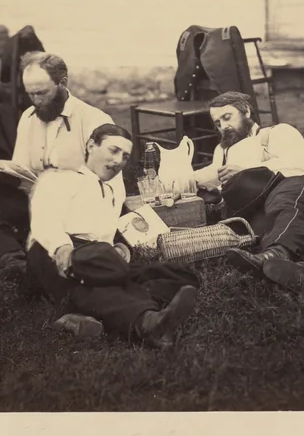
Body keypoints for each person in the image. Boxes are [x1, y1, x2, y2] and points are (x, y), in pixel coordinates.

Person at [25, 124, 201, 348]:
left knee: (181, 276)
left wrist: (120, 247)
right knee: (94, 284)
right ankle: (148, 323)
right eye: (113, 150)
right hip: (52, 253)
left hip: (99, 257)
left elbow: (104, 232)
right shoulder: (60, 178)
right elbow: (44, 220)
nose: (119, 161)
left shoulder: (112, 189)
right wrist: (62, 247)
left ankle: (89, 315)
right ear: (91, 145)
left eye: (125, 156)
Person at [0, 51, 118, 269]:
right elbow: (20, 168)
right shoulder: (28, 117)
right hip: (34, 200)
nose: (36, 101)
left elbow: (110, 187)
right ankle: (12, 258)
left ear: (62, 83)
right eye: (30, 94)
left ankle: (37, 253)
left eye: (42, 93)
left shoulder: (95, 120)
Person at [192, 91, 304, 291]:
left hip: (284, 192)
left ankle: (276, 257)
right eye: (217, 123)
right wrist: (183, 180)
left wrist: (246, 170)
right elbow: (211, 173)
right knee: (269, 223)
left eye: (227, 117)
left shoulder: (277, 133)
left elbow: (302, 165)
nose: (223, 126)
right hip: (249, 208)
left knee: (283, 205)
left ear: (246, 111)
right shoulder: (222, 150)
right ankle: (302, 268)